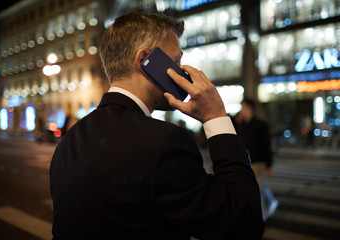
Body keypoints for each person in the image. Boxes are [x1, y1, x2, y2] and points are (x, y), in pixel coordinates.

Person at [50, 12, 264, 239]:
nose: (181, 71)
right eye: (177, 61)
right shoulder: (165, 142)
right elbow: (244, 222)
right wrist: (216, 117)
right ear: (145, 61)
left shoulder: (70, 140)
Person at [233, 98, 278, 221]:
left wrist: (269, 164)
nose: (240, 110)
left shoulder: (260, 125)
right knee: (256, 188)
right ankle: (272, 201)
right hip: (246, 162)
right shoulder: (241, 125)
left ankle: (261, 218)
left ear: (249, 108)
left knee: (257, 191)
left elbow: (267, 146)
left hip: (258, 162)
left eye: (242, 107)